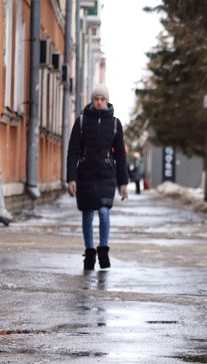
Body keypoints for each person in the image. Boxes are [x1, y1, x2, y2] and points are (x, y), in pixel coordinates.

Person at [67, 84, 128, 270]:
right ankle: (89, 254)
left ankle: (103, 250)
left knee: (103, 212)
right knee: (87, 215)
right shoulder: (82, 121)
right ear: (92, 101)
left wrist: (124, 182)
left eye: (102, 99)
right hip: (85, 175)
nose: (99, 102)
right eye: (96, 99)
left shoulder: (115, 124)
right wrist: (71, 178)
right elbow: (73, 152)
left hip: (106, 175)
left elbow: (121, 156)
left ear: (107, 101)